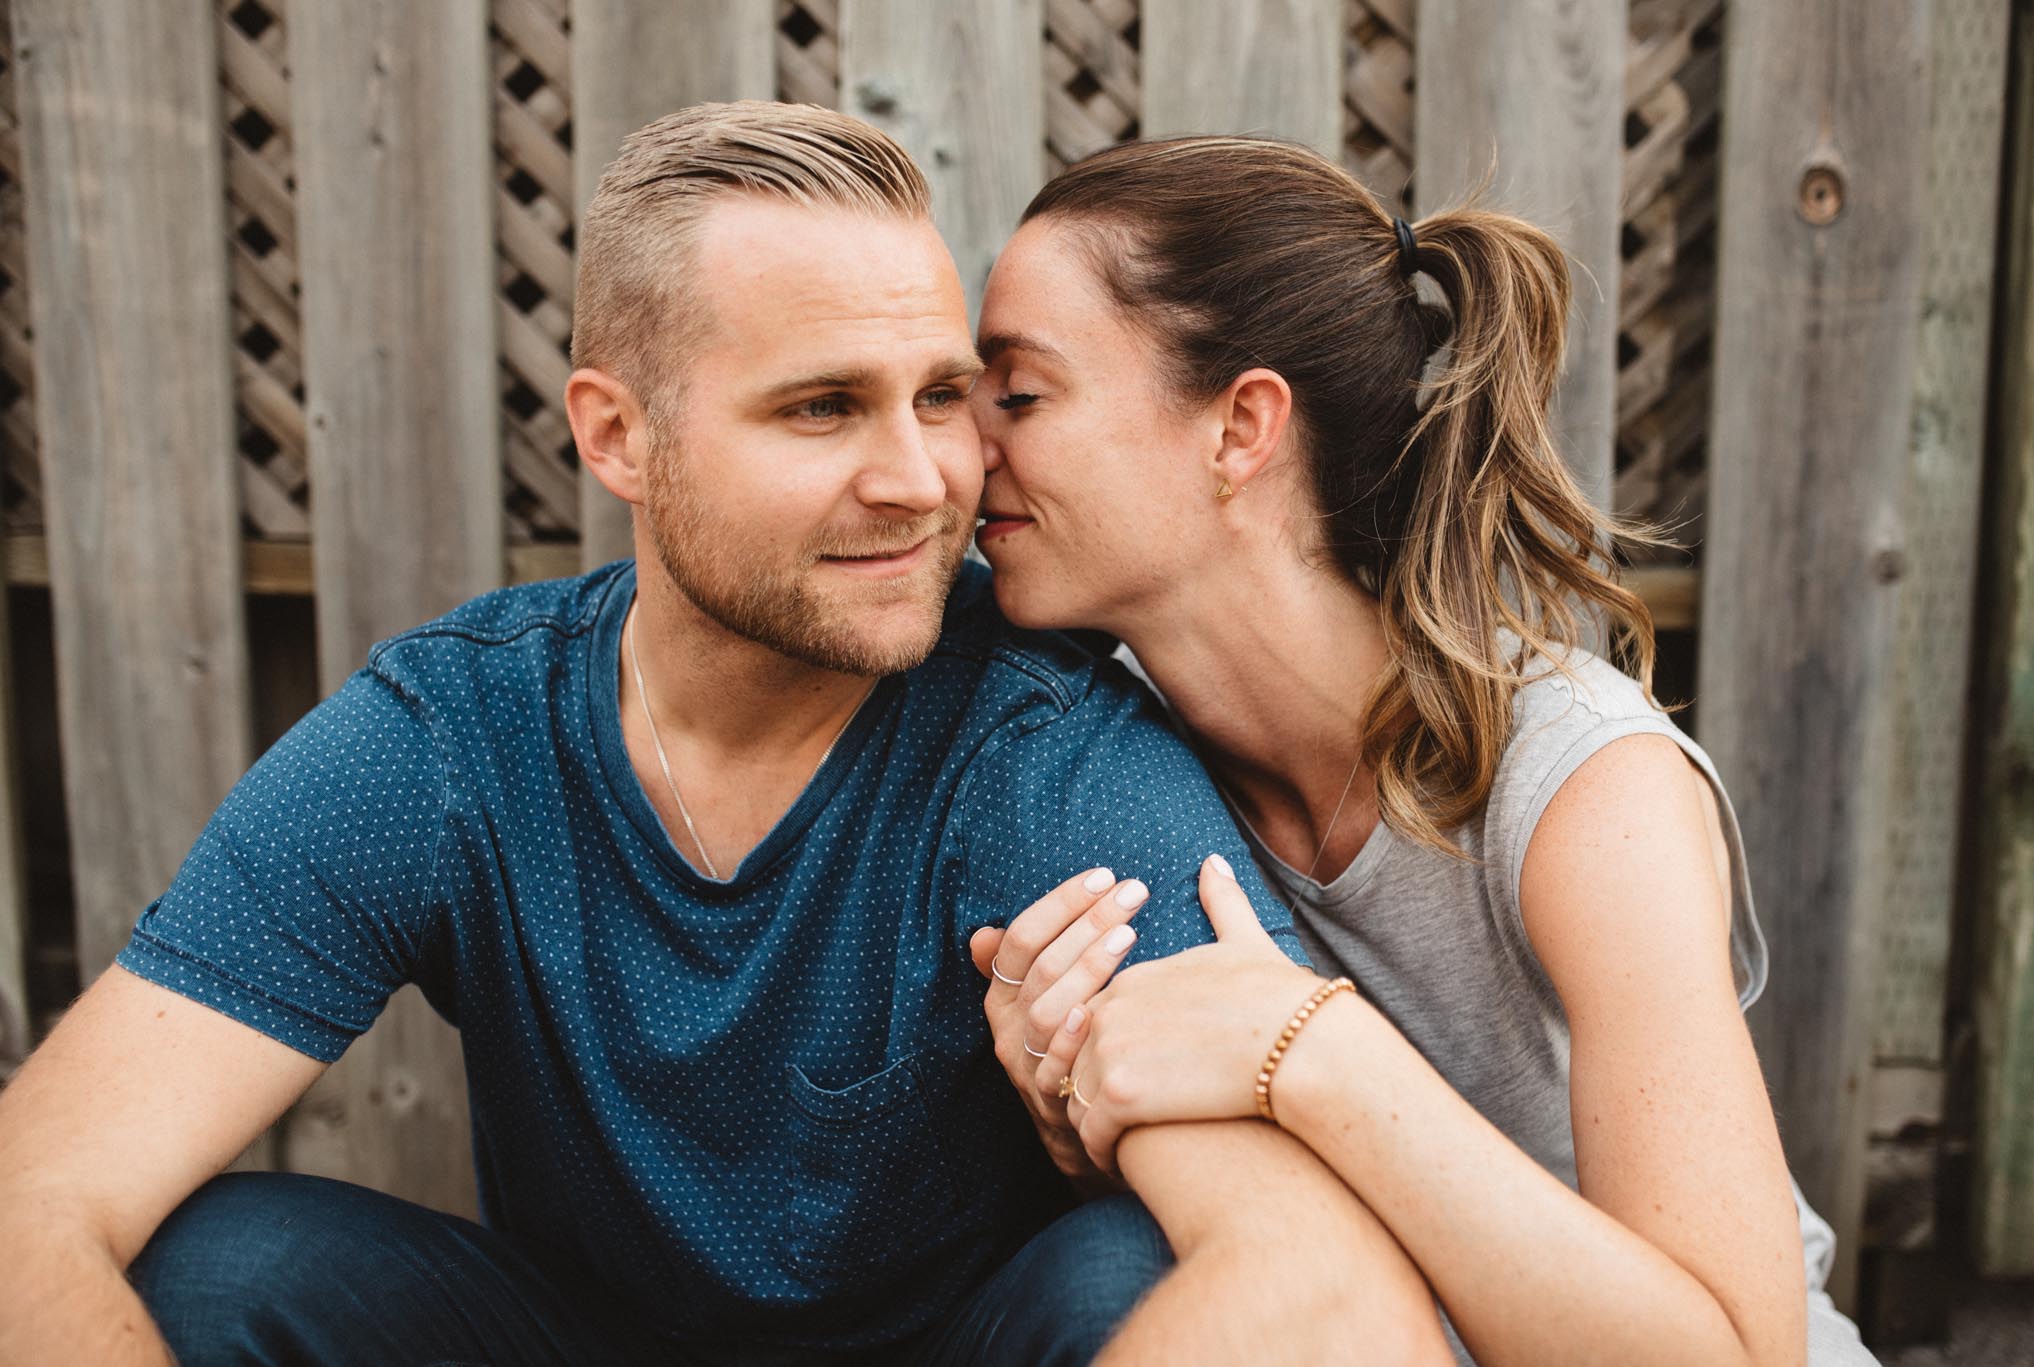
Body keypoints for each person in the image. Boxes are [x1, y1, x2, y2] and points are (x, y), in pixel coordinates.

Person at [0, 106, 1449, 1366]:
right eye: (821, 407)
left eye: (942, 395)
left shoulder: (1035, 739)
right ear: (619, 435)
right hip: (576, 1338)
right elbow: (33, 1195)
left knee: (1123, 1272)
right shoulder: (454, 742)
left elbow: (1323, 1293)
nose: (920, 479)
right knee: (222, 1265)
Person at [968, 135, 1881, 1366]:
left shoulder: (1581, 788)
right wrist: (1083, 1111)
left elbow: (1731, 1352)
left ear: (1240, 427)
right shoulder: (1112, 769)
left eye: (1017, 395)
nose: (961, 447)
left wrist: (1311, 1046)